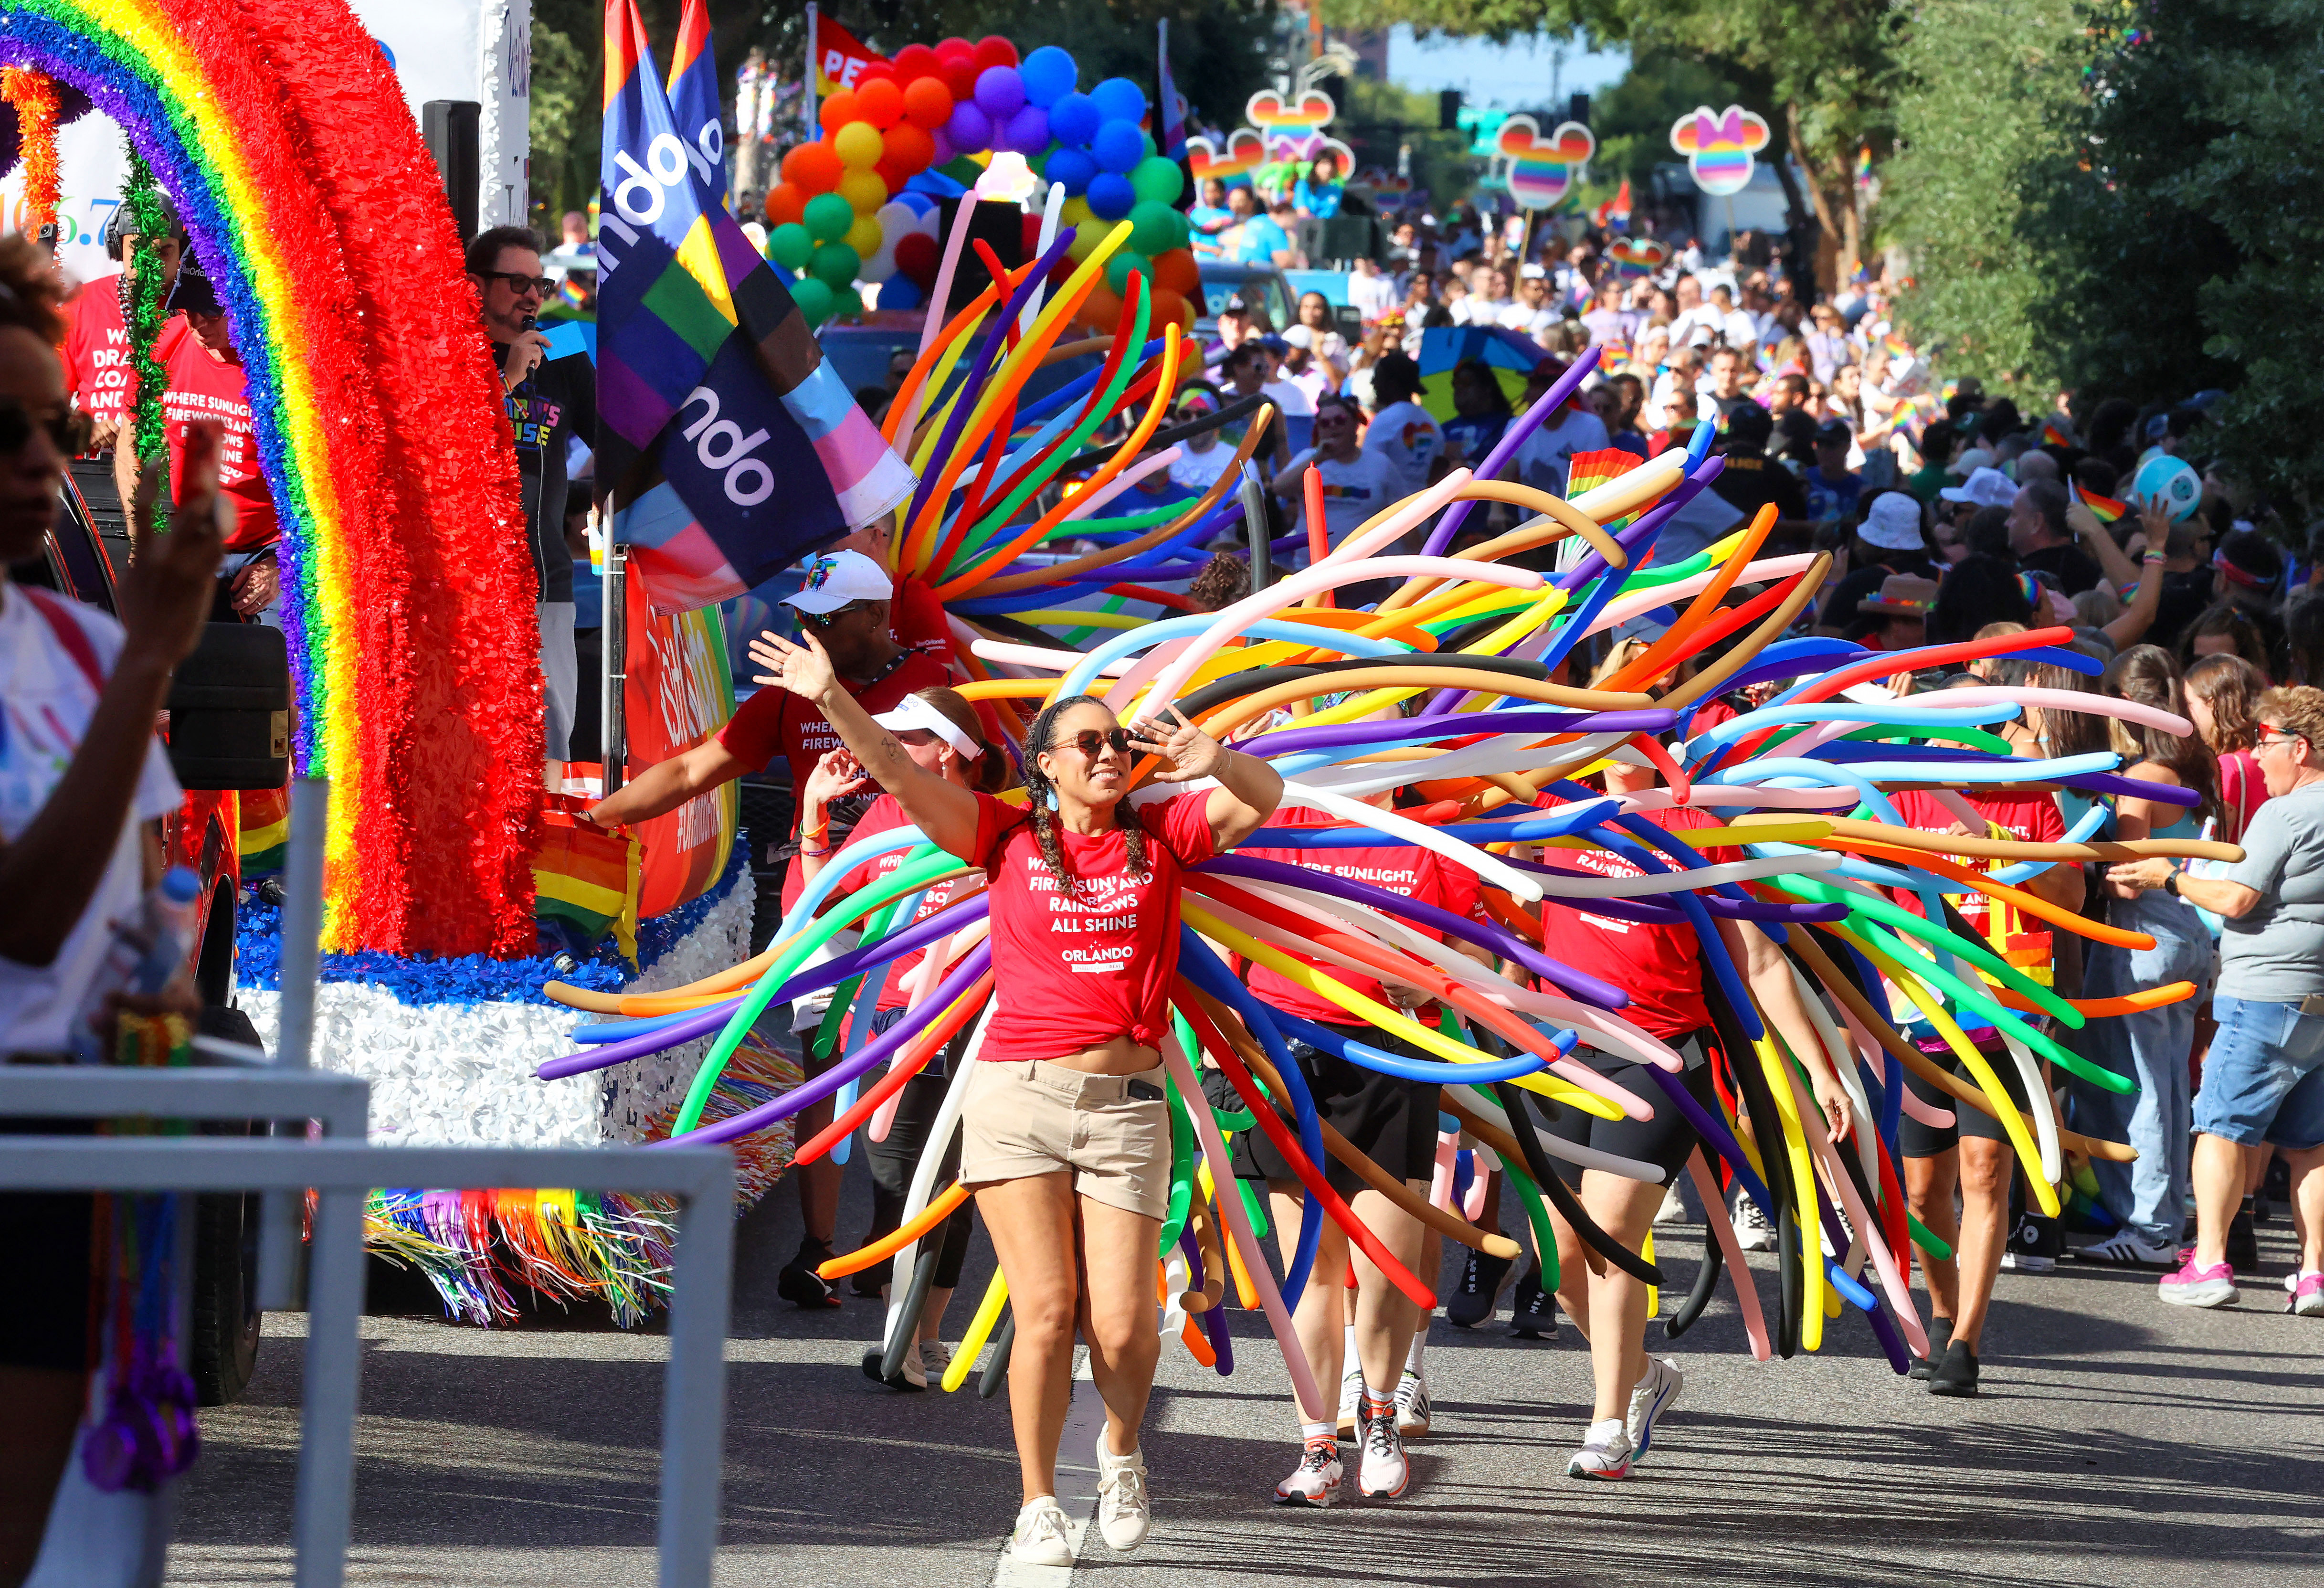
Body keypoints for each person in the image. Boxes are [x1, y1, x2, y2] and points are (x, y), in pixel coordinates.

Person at [747, 630, 1282, 1567]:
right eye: (1089, 744)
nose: (1110, 753)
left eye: (1119, 742)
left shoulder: (1163, 835)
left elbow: (1260, 801)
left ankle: (1119, 1451)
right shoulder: (998, 836)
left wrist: (1215, 759)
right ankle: (1036, 1499)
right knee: (1045, 1309)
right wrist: (831, 696)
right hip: (1016, 1096)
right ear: (1042, 767)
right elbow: (900, 777)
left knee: (1121, 1321)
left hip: (1126, 1107)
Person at [0, 225, 226, 1579]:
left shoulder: (82, 643)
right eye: (2, 431)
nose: (43, 462)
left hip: (61, 1146)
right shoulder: (121, 650)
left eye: (56, 424)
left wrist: (164, 987)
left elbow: (136, 912)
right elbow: (21, 918)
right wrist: (152, 655)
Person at [587, 549, 947, 1308]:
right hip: (824, 908)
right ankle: (818, 1247)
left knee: (909, 1073)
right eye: (802, 618)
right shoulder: (790, 696)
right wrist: (595, 819)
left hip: (925, 911)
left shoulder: (934, 688)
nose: (807, 632)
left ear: (878, 619)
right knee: (824, 1069)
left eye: (826, 620)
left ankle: (890, 1232)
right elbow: (691, 772)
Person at [1533, 747, 1856, 1475]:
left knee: (1613, 1234)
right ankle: (1643, 1377)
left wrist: (1818, 1066)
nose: (1618, 746)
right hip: (1563, 1054)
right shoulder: (1555, 816)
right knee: (1560, 1256)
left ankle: (1609, 1422)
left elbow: (1762, 961)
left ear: (1658, 744)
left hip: (1660, 1059)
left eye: (1635, 729)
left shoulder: (1697, 828)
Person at [1236, 710, 1497, 1505]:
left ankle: (1378, 1416)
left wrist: (1432, 983)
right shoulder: (1279, 826)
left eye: (1380, 749)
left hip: (1391, 1063)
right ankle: (1316, 1446)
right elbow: (1228, 938)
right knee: (1311, 1275)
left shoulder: (1428, 842)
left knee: (1382, 1271)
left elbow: (1478, 950)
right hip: (1293, 1060)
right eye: (1349, 748)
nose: (1363, 761)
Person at [796, 688, 1008, 1388]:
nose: (883, 749)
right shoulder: (886, 815)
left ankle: (918, 1336)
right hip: (890, 1018)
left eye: (904, 739)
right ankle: (908, 1330)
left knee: (951, 1179)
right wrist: (813, 820)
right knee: (892, 1176)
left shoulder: (989, 820)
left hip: (979, 1016)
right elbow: (822, 911)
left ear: (944, 750)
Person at [1891, 686, 2084, 1394]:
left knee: (1985, 1174)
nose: (1970, 743)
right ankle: (1943, 1312)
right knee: (1923, 1192)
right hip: (1922, 1021)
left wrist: (2009, 846)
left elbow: (2071, 898)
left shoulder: (2030, 799)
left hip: (2004, 1024)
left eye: (1986, 731)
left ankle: (1967, 1340)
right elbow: (1861, 891)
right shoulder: (1905, 795)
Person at [2113, 687, 2324, 1316]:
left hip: (2265, 994)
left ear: (2301, 747)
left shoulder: (2285, 815)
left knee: (2221, 1128)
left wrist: (2168, 877)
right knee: (2311, 1145)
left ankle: (2207, 1260)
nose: (2257, 757)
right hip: (2319, 997)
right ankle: (2313, 1272)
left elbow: (2236, 898)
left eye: (2265, 742)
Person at [2064, 648, 2218, 1266]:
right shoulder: (2182, 775)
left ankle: (2150, 1227)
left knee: (2144, 1086)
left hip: (2142, 933)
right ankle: (2164, 1220)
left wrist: (2085, 867)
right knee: (2167, 1083)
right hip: (2180, 933)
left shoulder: (2145, 777)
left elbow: (2126, 877)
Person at [467, 224, 597, 767]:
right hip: (468, 596)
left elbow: (612, 441)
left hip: (545, 586)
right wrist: (508, 379)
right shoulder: (450, 355)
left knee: (551, 742)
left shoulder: (562, 350)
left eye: (539, 284)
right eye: (516, 281)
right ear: (474, 286)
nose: (531, 295)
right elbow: (444, 447)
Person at [160, 252, 279, 622]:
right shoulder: (167, 344)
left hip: (266, 551)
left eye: (210, 314)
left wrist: (282, 565)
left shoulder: (280, 366)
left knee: (272, 671)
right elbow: (134, 442)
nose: (196, 325)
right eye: (185, 310)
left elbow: (326, 491)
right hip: (191, 546)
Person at [64, 198, 187, 514]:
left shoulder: (205, 317)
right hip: (89, 483)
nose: (152, 264)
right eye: (140, 251)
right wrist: (83, 429)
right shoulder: (81, 305)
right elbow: (34, 411)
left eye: (164, 252)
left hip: (172, 486)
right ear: (119, 250)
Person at [1270, 396, 1403, 589]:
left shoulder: (1380, 463)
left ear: (1355, 425)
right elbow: (1279, 489)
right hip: (1311, 574)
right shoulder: (1309, 459)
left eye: (1340, 420)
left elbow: (1403, 515)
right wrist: (1320, 457)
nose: (1333, 426)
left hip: (1366, 575)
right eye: (1325, 423)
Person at [2185, 653, 2271, 842]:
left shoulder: (2227, 766)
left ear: (2212, 703)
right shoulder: (2265, 756)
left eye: (2190, 704)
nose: (2186, 714)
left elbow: (2217, 844)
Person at [1506, 360, 1611, 498]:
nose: (1527, 394)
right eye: (1530, 386)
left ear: (1557, 392)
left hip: (1576, 517)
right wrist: (1496, 511)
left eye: (1536, 386)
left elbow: (1598, 483)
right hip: (1529, 520)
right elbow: (1504, 475)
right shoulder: (1516, 427)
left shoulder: (1591, 426)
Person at [1706, 405, 1806, 530]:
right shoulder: (1776, 471)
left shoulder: (1710, 467)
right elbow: (1798, 517)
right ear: (1766, 433)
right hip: (1760, 543)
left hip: (1710, 543)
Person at [1358, 353, 1442, 500]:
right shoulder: (1432, 423)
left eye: (1377, 377)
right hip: (1424, 508)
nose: (1373, 383)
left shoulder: (1385, 420)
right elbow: (1438, 467)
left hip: (1389, 511)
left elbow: (1367, 467)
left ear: (1392, 383)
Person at [2007, 478, 2102, 595]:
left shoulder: (2026, 585)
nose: (2007, 523)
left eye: (2013, 515)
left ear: (2036, 522)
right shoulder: (2090, 568)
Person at [1439, 357, 1512, 468]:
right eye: (1456, 384)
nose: (1459, 388)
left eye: (1466, 383)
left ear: (1487, 388)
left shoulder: (1507, 426)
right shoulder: (1444, 429)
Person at [1802, 418, 1864, 528]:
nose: (1824, 450)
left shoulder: (1861, 490)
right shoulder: (1802, 480)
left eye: (1831, 445)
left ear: (1847, 447)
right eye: (1820, 444)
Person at [1293, 293, 1349, 366]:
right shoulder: (1290, 337)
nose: (1310, 312)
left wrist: (1319, 353)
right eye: (1306, 307)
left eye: (1316, 308)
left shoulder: (1335, 341)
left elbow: (1341, 376)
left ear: (1324, 311)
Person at [1293, 151, 1344, 220]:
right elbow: (1302, 212)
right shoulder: (1303, 186)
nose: (1329, 168)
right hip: (1310, 228)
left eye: (1332, 164)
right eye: (1324, 164)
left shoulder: (1337, 190)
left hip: (1331, 228)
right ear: (1316, 166)